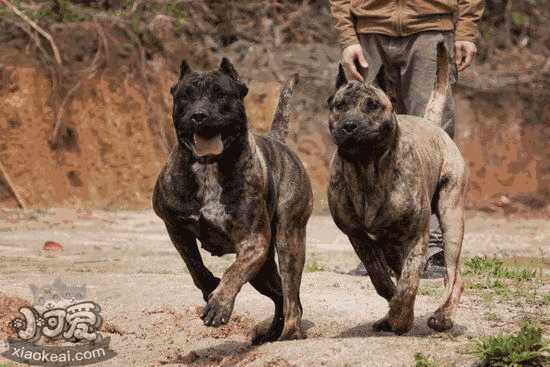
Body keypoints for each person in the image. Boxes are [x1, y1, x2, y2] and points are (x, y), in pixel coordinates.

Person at [330, 0, 484, 275]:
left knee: (433, 137)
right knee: (367, 141)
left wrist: (466, 31)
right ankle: (379, 248)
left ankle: (434, 245)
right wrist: (346, 36)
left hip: (431, 27)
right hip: (369, 29)